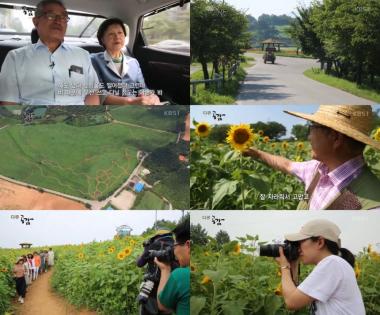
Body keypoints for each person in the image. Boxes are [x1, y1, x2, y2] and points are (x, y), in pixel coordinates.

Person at [244, 105, 380, 210]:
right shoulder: (317, 169)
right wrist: (258, 153)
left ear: (335, 137)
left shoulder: (371, 205)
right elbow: (286, 165)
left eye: (312, 128)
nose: (309, 136)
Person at [0, 0, 100, 105]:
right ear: (36, 21)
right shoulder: (15, 57)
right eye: (51, 15)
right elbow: (8, 103)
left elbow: (92, 93)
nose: (58, 21)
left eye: (63, 17)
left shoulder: (82, 55)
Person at [276, 219, 365, 315]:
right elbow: (297, 296)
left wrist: (284, 266)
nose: (298, 249)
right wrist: (292, 266)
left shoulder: (332, 263)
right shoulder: (334, 263)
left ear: (320, 242)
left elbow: (292, 302)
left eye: (300, 242)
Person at [91, 18, 160, 105]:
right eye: (111, 34)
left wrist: (151, 97)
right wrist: (130, 102)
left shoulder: (134, 62)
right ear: (102, 40)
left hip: (136, 107)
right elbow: (99, 93)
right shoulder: (93, 60)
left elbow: (142, 88)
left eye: (120, 33)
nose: (117, 37)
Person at [154, 218, 190, 315]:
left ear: (188, 245)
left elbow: (163, 306)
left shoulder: (181, 275)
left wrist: (165, 270)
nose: (174, 252)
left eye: (174, 246)